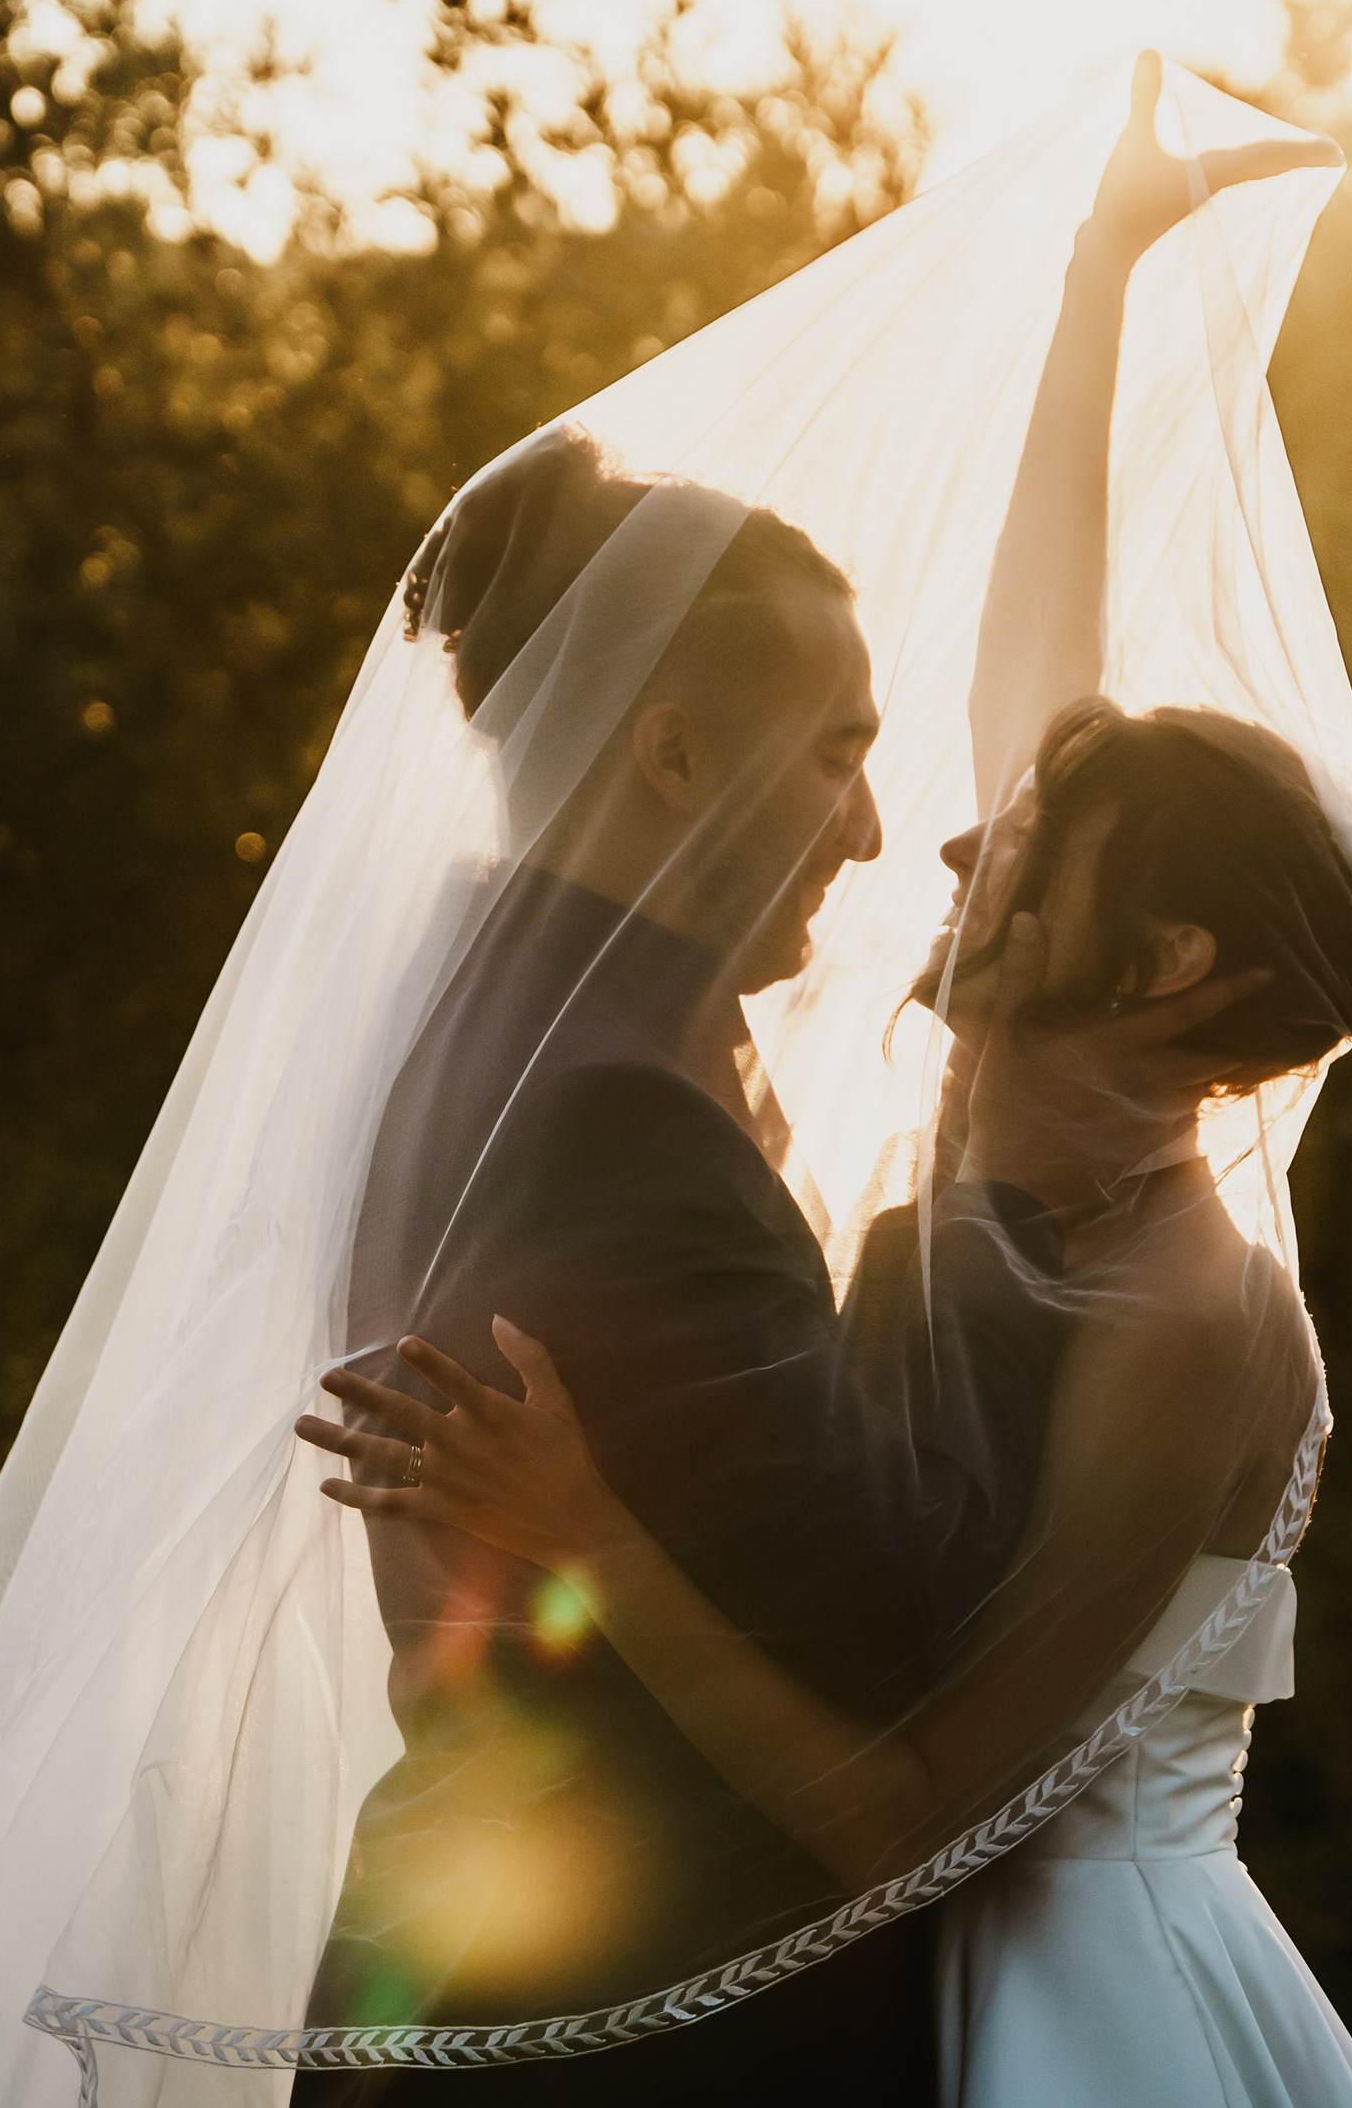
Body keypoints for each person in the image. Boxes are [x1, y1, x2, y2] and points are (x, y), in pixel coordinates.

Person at [300, 57, 1352, 2105]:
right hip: (860, 1981)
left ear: (1164, 960)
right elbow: (1055, 661)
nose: (955, 836)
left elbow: (915, 1813)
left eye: (1030, 844)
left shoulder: (1194, 1312)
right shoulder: (999, 1106)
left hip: (1067, 1991)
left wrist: (585, 1531)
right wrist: (1103, 274)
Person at [289, 433, 1257, 2106]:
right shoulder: (621, 1119)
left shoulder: (482, 1028)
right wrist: (996, 1205)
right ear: (670, 752)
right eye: (833, 755)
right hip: (652, 2021)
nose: (878, 833)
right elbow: (899, 1624)